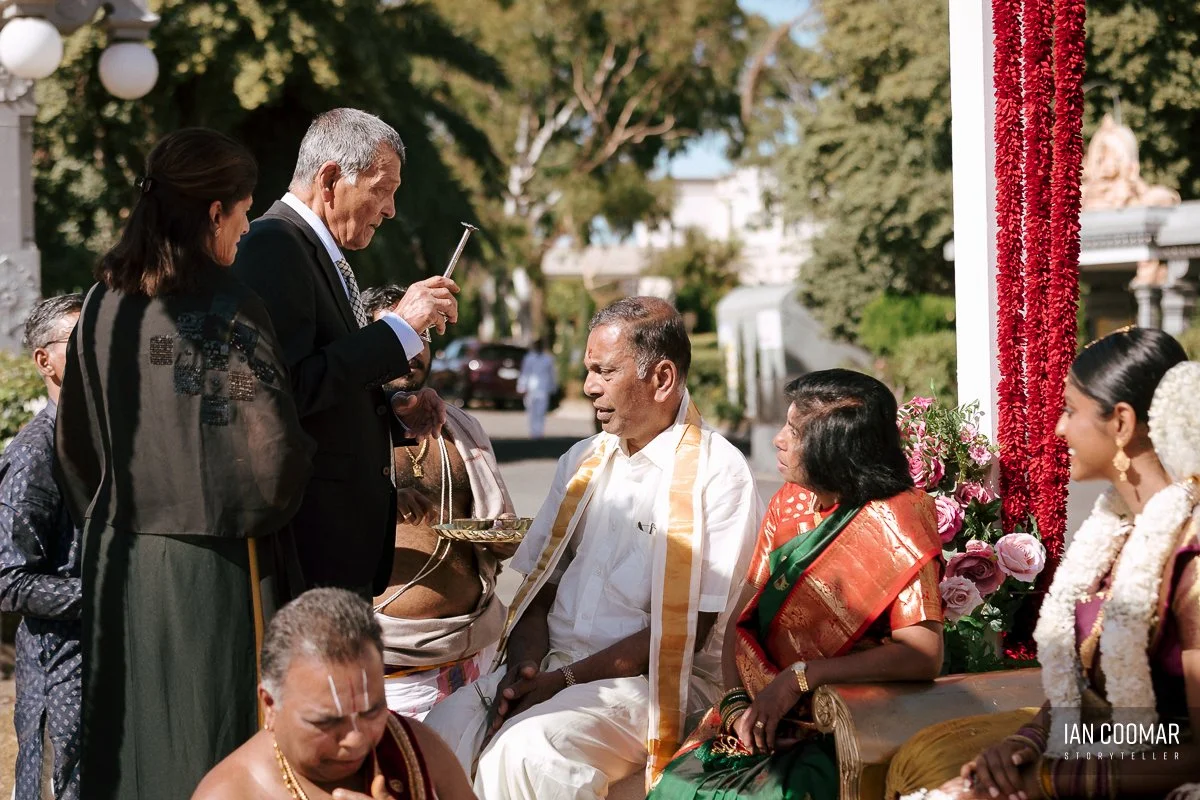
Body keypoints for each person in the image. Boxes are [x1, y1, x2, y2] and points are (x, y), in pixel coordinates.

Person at [54, 128, 315, 800]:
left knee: (134, 736)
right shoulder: (229, 308)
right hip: (219, 565)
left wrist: (115, 513)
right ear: (212, 213)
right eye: (244, 208)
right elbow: (273, 456)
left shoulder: (101, 307)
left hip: (121, 559)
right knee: (218, 738)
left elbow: (76, 448)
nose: (248, 224)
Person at [424, 296, 764, 799]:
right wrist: (523, 674)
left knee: (527, 751)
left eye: (604, 370)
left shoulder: (718, 472)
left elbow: (687, 633)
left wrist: (561, 683)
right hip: (557, 666)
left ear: (662, 379)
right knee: (438, 732)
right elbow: (542, 587)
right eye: (589, 370)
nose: (588, 387)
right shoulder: (584, 458)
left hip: (654, 684)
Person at [890, 327, 1200, 800]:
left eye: (1071, 411)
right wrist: (1026, 744)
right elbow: (1087, 697)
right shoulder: (1115, 534)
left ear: (1121, 423)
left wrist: (1050, 781)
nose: (1059, 429)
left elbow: (1191, 747)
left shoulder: (1190, 556)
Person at [647, 368, 946, 800]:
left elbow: (922, 655)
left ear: (836, 446)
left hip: (845, 727)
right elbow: (741, 618)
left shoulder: (897, 521)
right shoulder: (790, 501)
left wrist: (797, 680)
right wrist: (734, 706)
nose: (778, 439)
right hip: (756, 717)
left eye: (795, 430)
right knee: (673, 787)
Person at [233, 108, 459, 598]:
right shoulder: (276, 245)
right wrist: (401, 326)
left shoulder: (310, 250)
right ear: (331, 179)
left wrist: (391, 411)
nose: (390, 209)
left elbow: (325, 380)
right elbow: (284, 392)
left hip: (333, 553)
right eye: (382, 189)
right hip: (307, 550)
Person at [362, 285, 517, 719]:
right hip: (388, 674)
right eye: (402, 331)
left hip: (474, 657)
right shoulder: (343, 436)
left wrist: (503, 537)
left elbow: (500, 532)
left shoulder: (461, 429)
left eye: (425, 336)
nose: (415, 348)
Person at [192, 587, 475, 800]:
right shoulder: (229, 793)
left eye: (372, 711)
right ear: (270, 705)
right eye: (327, 722)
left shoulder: (413, 745)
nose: (355, 740)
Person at [0, 294, 84, 800]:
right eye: (80, 342)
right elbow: (8, 581)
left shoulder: (101, 441)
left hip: (104, 671)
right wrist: (107, 593)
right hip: (58, 679)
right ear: (44, 360)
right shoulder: (33, 454)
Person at [517, 338, 557, 439]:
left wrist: (553, 387)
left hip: (543, 388)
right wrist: (522, 386)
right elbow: (525, 373)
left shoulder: (548, 359)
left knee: (541, 411)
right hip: (531, 389)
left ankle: (539, 432)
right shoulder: (529, 358)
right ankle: (533, 431)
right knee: (531, 411)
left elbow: (552, 374)